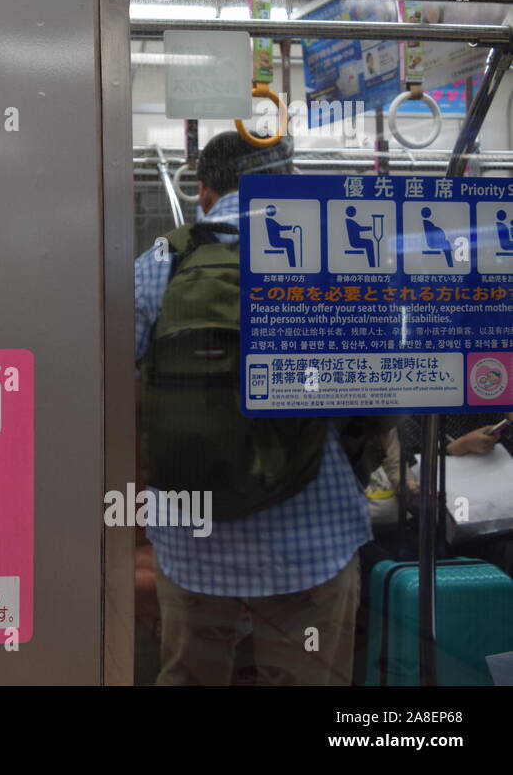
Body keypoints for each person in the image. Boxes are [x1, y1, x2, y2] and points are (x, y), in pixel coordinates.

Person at [134, 131, 372, 685]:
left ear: (204, 189)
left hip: (192, 537)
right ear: (286, 185)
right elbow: (376, 394)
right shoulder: (329, 255)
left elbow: (119, 398)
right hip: (313, 531)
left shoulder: (158, 264)